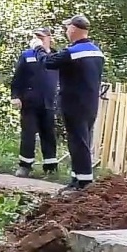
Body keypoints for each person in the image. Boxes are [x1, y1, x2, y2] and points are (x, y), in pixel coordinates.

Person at [44, 14, 105, 192]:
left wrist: (42, 48)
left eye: (67, 28)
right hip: (90, 103)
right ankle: (76, 179)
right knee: (82, 140)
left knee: (78, 142)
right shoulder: (96, 51)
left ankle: (85, 184)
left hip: (74, 104)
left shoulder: (73, 52)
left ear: (73, 29)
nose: (65, 31)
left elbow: (48, 63)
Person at [10, 27, 59, 178]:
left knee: (49, 134)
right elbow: (18, 78)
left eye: (41, 36)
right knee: (28, 134)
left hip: (49, 102)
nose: (38, 39)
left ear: (49, 38)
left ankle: (50, 166)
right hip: (30, 101)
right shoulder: (27, 55)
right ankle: (25, 166)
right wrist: (15, 96)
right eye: (36, 36)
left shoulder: (56, 56)